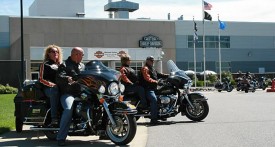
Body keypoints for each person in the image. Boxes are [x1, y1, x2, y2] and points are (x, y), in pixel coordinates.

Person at [56, 47, 85, 146]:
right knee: (68, 109)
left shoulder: (82, 66)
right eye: (82, 55)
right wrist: (67, 78)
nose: (82, 57)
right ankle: (61, 137)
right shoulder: (64, 65)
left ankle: (103, 131)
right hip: (68, 93)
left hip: (82, 93)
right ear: (75, 54)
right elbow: (59, 77)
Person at [140, 56, 168, 125]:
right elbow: (147, 78)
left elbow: (158, 74)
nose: (152, 62)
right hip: (148, 88)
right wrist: (156, 82)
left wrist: (168, 76)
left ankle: (161, 115)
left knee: (160, 98)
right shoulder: (145, 68)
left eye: (153, 60)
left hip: (153, 88)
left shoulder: (151, 68)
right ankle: (153, 119)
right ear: (147, 61)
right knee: (154, 100)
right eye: (151, 60)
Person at [39, 44, 63, 126]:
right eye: (53, 51)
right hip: (48, 89)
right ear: (48, 53)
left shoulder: (61, 65)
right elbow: (41, 79)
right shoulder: (45, 64)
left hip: (60, 88)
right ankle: (54, 118)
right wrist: (51, 84)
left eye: (57, 51)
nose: (55, 53)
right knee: (55, 90)